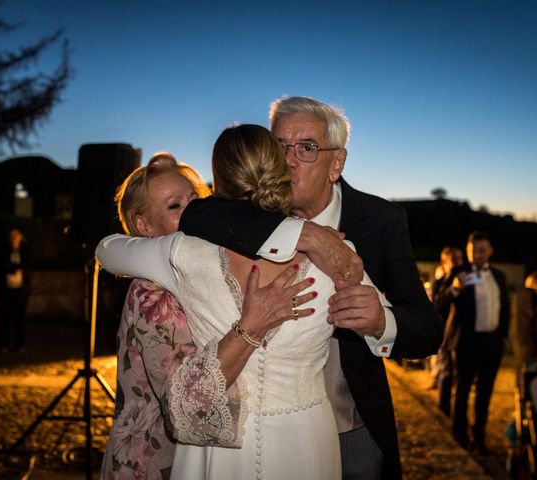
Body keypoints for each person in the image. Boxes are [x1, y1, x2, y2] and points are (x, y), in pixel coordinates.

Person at [97, 124, 394, 480]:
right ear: (280, 171)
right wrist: (304, 234)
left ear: (216, 185)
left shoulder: (181, 253)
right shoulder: (336, 252)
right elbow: (386, 321)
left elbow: (107, 249)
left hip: (213, 455)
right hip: (304, 439)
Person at [176, 96, 443, 479]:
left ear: (337, 163)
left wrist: (381, 322)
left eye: (307, 148)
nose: (288, 160)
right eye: (279, 146)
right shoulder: (248, 209)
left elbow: (427, 331)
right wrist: (311, 236)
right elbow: (196, 212)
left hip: (353, 424)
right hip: (254, 431)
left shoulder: (379, 220)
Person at [100, 154, 317, 480]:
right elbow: (190, 406)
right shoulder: (153, 294)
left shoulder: (202, 267)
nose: (193, 213)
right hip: (156, 462)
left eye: (196, 200)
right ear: (143, 225)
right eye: (175, 206)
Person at [442, 231, 509, 454]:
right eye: (473, 251)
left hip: (492, 342)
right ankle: (459, 433)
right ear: (468, 252)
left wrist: (502, 336)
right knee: (462, 389)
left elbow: (506, 307)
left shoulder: (499, 276)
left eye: (482, 250)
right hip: (466, 342)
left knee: (485, 392)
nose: (477, 255)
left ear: (490, 251)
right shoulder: (458, 273)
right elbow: (439, 301)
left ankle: (479, 437)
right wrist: (455, 289)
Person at [431, 246, 463, 415]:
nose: (458, 263)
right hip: (444, 331)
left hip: (461, 332)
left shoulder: (465, 278)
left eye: (460, 258)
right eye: (454, 259)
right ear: (445, 262)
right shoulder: (441, 281)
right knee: (447, 369)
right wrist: (453, 291)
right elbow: (435, 303)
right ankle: (444, 407)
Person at [0, 227, 31, 352]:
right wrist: (14, 267)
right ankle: (3, 343)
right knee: (5, 316)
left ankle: (19, 344)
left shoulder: (25, 250)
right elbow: (2, 265)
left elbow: (27, 265)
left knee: (20, 317)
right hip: (5, 289)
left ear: (21, 237)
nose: (14, 238)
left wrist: (17, 267)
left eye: (16, 235)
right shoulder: (4, 249)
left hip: (21, 289)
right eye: (12, 235)